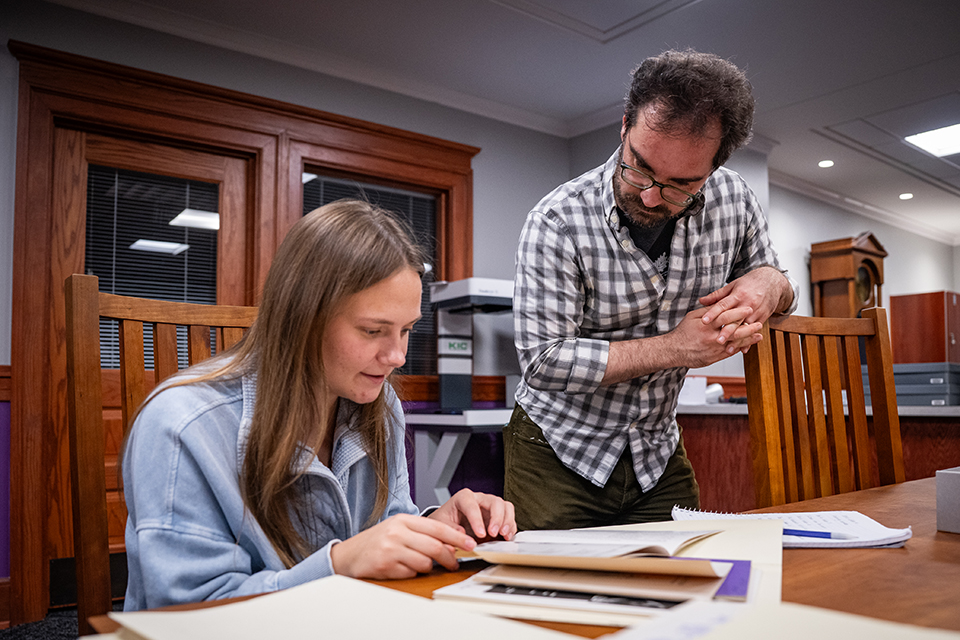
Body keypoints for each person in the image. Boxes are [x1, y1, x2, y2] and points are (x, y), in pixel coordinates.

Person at [122, 199, 516, 610]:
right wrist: (338, 565)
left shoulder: (380, 406)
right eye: (372, 330)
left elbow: (383, 528)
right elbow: (184, 612)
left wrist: (430, 529)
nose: (398, 356)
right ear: (303, 317)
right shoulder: (182, 423)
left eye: (406, 330)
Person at [506, 49, 799, 531]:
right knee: (556, 601)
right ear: (625, 126)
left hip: (658, 452)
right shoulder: (557, 220)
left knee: (688, 590)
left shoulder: (736, 200)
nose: (648, 195)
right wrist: (675, 348)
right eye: (638, 168)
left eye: (680, 185)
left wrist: (772, 283)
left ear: (714, 169)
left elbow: (782, 293)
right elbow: (543, 361)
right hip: (557, 454)